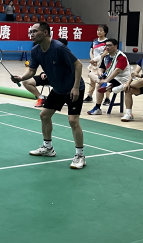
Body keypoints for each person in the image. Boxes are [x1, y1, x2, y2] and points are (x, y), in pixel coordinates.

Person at [11, 23, 87, 169]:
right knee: (44, 115)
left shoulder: (59, 48)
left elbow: (78, 65)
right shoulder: (35, 50)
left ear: (45, 32)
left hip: (72, 89)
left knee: (73, 121)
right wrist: (21, 78)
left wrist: (76, 87)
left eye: (34, 31)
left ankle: (80, 156)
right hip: (57, 89)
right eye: (30, 32)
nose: (31, 34)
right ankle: (48, 148)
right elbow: (32, 71)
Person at [85, 38, 130, 115]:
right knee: (90, 74)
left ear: (115, 46)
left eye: (110, 45)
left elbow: (117, 71)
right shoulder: (106, 57)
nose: (107, 47)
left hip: (121, 79)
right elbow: (101, 68)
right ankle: (103, 83)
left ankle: (97, 108)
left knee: (99, 85)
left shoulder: (121, 56)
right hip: (110, 77)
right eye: (106, 46)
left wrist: (106, 80)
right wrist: (100, 73)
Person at [22, 37, 68, 108]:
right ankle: (41, 98)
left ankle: (63, 99)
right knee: (26, 81)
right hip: (49, 78)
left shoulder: (67, 56)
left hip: (61, 81)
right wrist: (43, 73)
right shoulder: (49, 54)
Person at [84, 25, 109, 103]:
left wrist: (98, 59)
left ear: (105, 32)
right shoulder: (94, 41)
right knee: (92, 80)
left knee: (104, 80)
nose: (99, 32)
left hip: (103, 63)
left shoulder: (107, 41)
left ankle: (107, 98)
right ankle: (89, 96)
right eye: (98, 30)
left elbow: (106, 52)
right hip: (94, 63)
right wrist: (92, 60)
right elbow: (91, 51)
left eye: (101, 30)